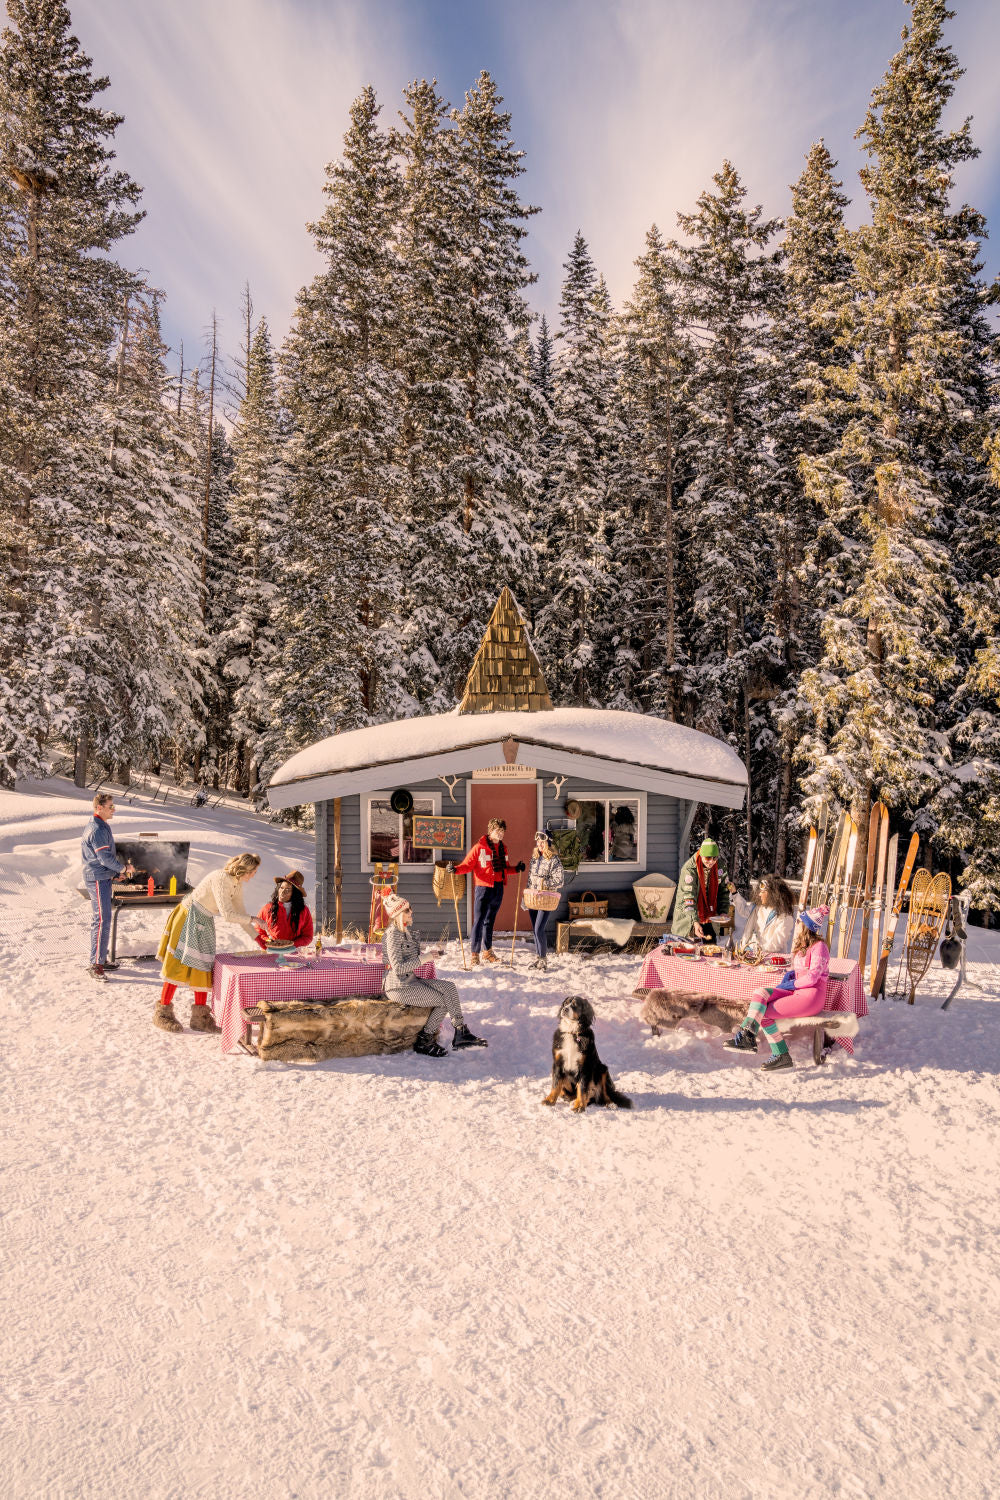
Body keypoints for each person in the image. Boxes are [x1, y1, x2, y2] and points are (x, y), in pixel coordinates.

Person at [154, 852, 264, 1033]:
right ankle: (162, 1013)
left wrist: (260, 939)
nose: (253, 876)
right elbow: (228, 915)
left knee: (202, 968)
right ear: (244, 869)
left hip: (204, 920)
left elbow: (241, 914)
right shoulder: (221, 878)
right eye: (253, 872)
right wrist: (254, 919)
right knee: (177, 965)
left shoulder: (236, 885)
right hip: (188, 916)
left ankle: (200, 1019)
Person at [724, 905, 831, 1072]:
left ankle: (779, 1054)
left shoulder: (820, 947)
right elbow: (801, 972)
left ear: (807, 926)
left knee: (764, 1012)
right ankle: (749, 1036)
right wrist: (791, 976)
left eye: (800, 922)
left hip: (811, 996)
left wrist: (793, 983)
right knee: (760, 993)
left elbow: (812, 977)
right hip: (797, 990)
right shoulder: (803, 946)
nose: (797, 924)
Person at [381, 893, 487, 1055]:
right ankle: (425, 1040)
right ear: (398, 914)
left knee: (449, 988)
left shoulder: (406, 932)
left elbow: (412, 958)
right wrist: (426, 957)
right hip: (398, 987)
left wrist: (431, 953)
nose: (411, 912)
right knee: (443, 1001)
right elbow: (398, 968)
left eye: (411, 909)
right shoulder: (392, 934)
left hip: (411, 981)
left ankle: (461, 1032)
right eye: (407, 910)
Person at [454, 817, 525, 967]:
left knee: (490, 921)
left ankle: (487, 951)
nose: (500, 834)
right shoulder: (479, 847)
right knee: (479, 921)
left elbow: (505, 868)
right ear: (490, 830)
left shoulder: (503, 848)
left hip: (498, 888)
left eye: (502, 831)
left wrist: (516, 869)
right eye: (497, 830)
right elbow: (467, 865)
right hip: (483, 888)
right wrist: (455, 870)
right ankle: (475, 954)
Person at [81, 792, 135, 980]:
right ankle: (95, 964)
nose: (114, 809)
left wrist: (114, 874)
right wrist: (123, 868)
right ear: (99, 808)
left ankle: (101, 959)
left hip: (103, 876)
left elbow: (102, 859)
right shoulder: (97, 829)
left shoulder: (101, 826)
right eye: (110, 806)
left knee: (105, 918)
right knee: (102, 919)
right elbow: (103, 858)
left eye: (113, 806)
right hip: (96, 877)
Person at [671, 839, 732, 941]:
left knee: (711, 949)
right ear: (702, 855)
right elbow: (688, 898)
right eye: (708, 858)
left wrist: (723, 912)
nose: (711, 861)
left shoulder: (720, 866)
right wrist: (695, 922)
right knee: (687, 950)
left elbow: (724, 891)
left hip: (709, 916)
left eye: (715, 858)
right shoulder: (690, 869)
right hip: (688, 916)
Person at [524, 830, 564, 971]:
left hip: (545, 898)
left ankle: (543, 960)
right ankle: (538, 958)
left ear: (548, 843)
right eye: (538, 842)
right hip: (533, 898)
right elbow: (529, 879)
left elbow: (559, 881)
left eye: (543, 842)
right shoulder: (535, 858)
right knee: (535, 931)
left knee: (539, 929)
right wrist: (526, 896)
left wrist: (544, 882)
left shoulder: (554, 860)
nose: (540, 844)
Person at [254, 870, 314, 950]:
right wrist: (269, 943)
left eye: (287, 890)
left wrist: (292, 945)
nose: (282, 892)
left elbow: (307, 936)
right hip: (272, 951)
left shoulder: (303, 910)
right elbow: (258, 931)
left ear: (295, 894)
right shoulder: (268, 908)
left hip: (295, 951)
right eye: (281, 888)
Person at [741, 874, 796, 955]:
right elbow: (744, 911)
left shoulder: (785, 916)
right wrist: (748, 947)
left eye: (763, 892)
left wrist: (757, 950)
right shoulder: (759, 908)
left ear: (772, 894)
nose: (759, 894)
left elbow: (776, 944)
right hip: (754, 955)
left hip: (773, 960)